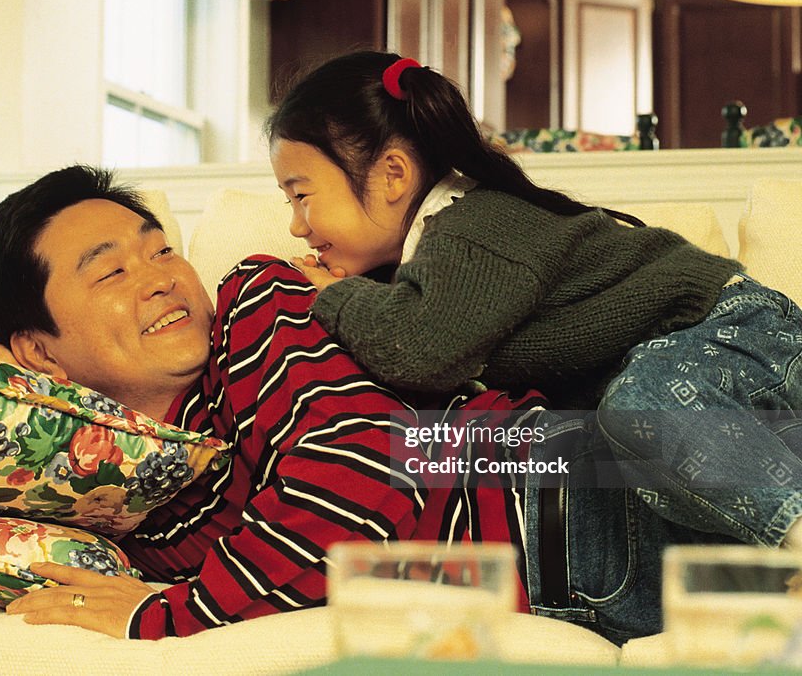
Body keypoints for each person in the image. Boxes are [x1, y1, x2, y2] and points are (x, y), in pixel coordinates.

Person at [267, 51, 802, 637]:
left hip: (735, 332)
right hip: (719, 381)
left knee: (641, 406)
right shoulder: (424, 257)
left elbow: (420, 351)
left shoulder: (474, 224)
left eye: (301, 195)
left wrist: (328, 296)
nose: (297, 225)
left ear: (393, 175)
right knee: (639, 458)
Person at [0, 165, 544, 640]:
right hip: (554, 579)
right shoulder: (114, 510)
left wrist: (168, 615)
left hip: (557, 485)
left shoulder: (256, 302)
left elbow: (367, 476)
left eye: (161, 252)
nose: (161, 279)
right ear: (39, 352)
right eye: (112, 272)